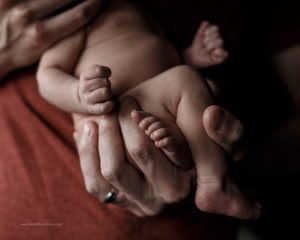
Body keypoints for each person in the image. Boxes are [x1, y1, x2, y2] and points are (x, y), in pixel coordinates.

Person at [36, 0, 259, 219]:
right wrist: (78, 94)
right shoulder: (80, 17)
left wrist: (191, 55)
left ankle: (178, 149)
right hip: (116, 125)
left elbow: (153, 55)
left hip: (153, 116)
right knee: (187, 80)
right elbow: (46, 75)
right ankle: (214, 183)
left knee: (207, 89)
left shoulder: (134, 8)